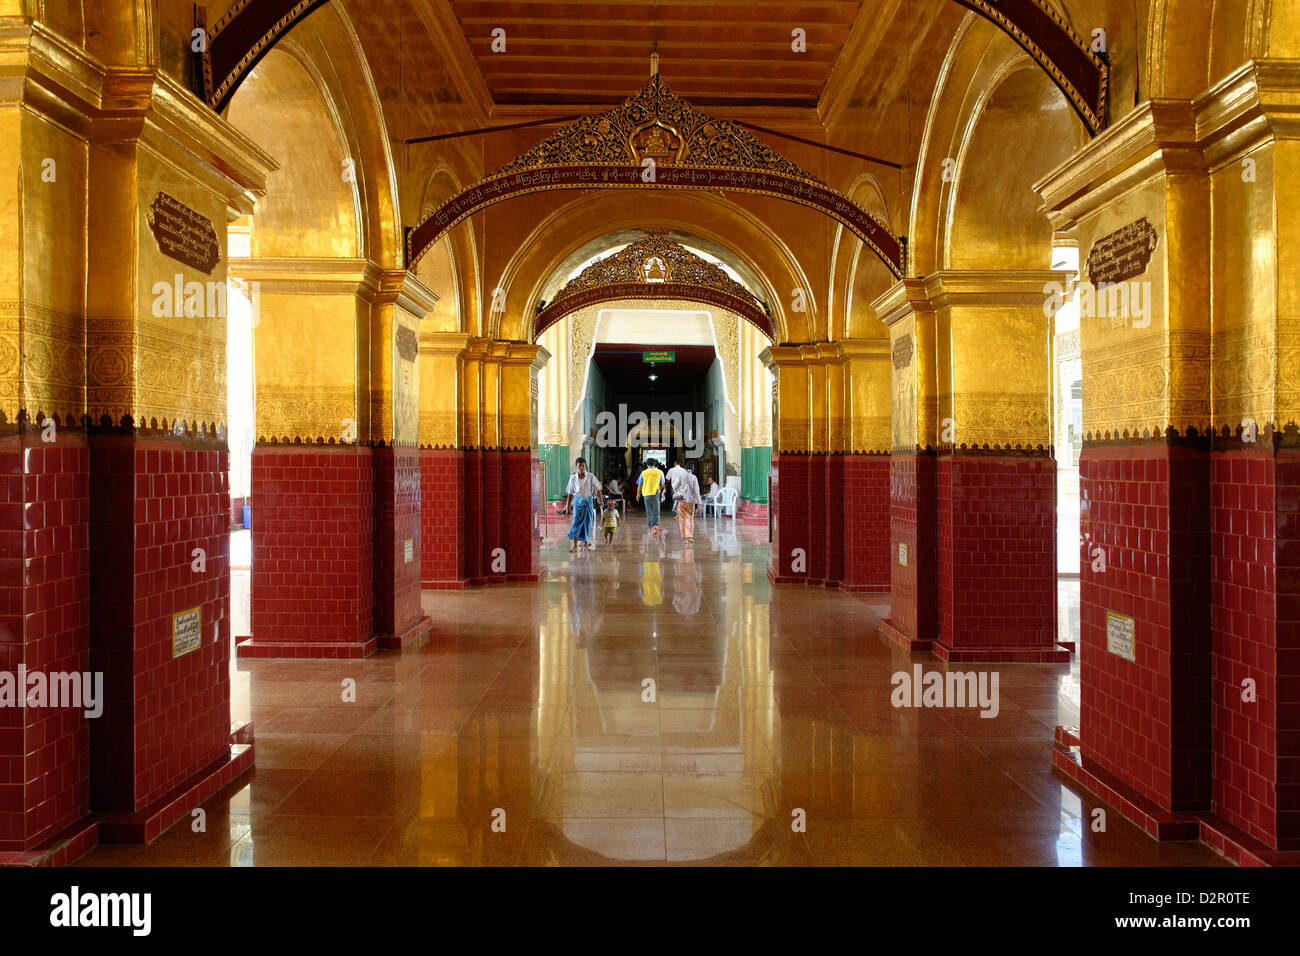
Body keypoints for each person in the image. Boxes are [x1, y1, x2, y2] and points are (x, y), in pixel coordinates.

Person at [564, 457, 601, 552]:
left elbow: (597, 489)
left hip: (588, 502)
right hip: (577, 503)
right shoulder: (573, 478)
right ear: (576, 467)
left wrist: (601, 500)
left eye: (583, 466)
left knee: (587, 523)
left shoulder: (591, 476)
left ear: (585, 467)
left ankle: (584, 545)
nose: (581, 468)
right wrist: (567, 507)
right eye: (579, 466)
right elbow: (570, 493)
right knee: (576, 522)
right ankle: (575, 545)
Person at [636, 459, 665, 535]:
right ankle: (655, 526)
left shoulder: (643, 473)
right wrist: (660, 491)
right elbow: (662, 484)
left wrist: (637, 494)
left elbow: (639, 485)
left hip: (646, 493)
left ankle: (651, 527)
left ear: (646, 465)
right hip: (655, 493)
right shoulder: (659, 472)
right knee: (656, 511)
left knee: (649, 511)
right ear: (654, 464)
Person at [675, 463, 702, 544]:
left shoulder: (681, 476)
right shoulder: (694, 477)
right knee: (690, 519)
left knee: (683, 520)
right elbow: (697, 491)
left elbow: (675, 487)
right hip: (691, 502)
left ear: (685, 469)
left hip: (682, 501)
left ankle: (685, 539)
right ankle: (690, 537)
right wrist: (699, 503)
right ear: (692, 469)